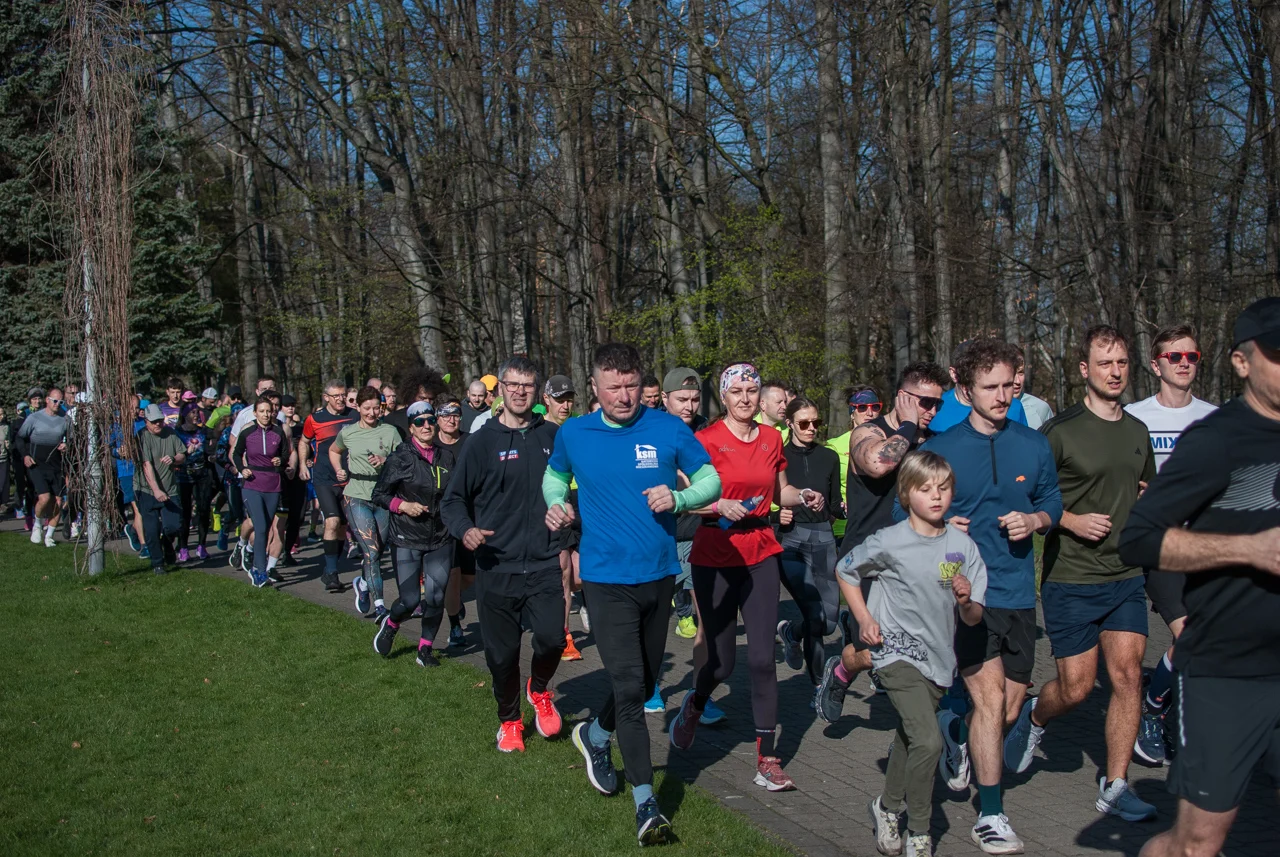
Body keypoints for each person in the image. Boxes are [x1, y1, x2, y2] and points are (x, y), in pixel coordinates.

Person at [1117, 296, 1280, 857]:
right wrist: (1248, 549)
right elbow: (1138, 537)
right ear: (1242, 362)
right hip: (1228, 669)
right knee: (1196, 844)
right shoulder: (1217, 438)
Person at [544, 343, 719, 845]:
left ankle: (595, 735)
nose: (623, 396)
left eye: (631, 386)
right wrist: (556, 503)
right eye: (613, 387)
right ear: (594, 387)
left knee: (640, 684)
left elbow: (710, 479)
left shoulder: (668, 428)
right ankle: (647, 805)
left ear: (643, 384)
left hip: (659, 574)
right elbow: (555, 476)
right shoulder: (575, 432)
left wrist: (680, 497)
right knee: (629, 689)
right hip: (604, 578)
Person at [911, 339, 1061, 854]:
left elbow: (1052, 500)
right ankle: (991, 815)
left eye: (1008, 386)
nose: (1002, 396)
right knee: (991, 700)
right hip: (966, 592)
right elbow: (903, 512)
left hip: (1018, 591)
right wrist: (937, 522)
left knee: (1009, 708)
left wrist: (1035, 520)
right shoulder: (941, 448)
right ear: (966, 390)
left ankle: (956, 730)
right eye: (990, 387)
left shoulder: (1033, 444)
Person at [1003, 326, 1157, 822]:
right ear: (1085, 370)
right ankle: (1035, 717)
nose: (1115, 372)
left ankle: (1116, 785)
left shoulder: (1137, 432)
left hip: (1125, 575)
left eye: (1122, 362)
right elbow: (1028, 498)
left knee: (1128, 675)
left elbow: (1144, 489)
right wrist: (1070, 520)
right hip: (1071, 576)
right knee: (1077, 688)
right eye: (1105, 363)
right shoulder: (1060, 432)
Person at [668, 362, 826, 792]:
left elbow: (779, 491)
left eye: (751, 391)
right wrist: (718, 506)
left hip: (760, 550)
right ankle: (695, 704)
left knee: (761, 660)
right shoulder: (705, 440)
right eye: (736, 391)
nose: (744, 398)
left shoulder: (772, 438)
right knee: (722, 662)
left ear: (760, 397)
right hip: (715, 552)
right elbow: (684, 500)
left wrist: (802, 495)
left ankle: (767, 759)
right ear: (723, 396)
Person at [839, 451, 987, 857]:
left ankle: (886, 808)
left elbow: (974, 617)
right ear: (906, 494)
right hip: (893, 652)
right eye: (925, 489)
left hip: (938, 660)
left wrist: (965, 601)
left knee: (911, 737)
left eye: (943, 488)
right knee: (929, 740)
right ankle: (919, 831)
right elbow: (846, 571)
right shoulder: (889, 541)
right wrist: (864, 618)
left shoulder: (962, 547)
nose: (936, 496)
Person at [441, 356, 566, 753]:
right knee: (502, 654)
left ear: (537, 391)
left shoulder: (554, 436)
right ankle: (509, 720)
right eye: (512, 384)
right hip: (496, 563)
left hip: (545, 560)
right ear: (502, 389)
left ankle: (539, 689)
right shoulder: (481, 442)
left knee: (552, 639)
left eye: (527, 385)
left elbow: (576, 484)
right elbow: (453, 500)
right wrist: (466, 529)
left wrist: (571, 513)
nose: (519, 392)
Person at [815, 364, 948, 723]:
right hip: (868, 557)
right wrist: (908, 426)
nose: (932, 411)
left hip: (918, 559)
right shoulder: (869, 431)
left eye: (938, 404)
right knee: (878, 649)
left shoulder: (933, 440)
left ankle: (921, 730)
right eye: (925, 402)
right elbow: (878, 463)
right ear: (904, 397)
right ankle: (842, 669)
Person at [1122, 323, 1218, 764]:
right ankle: (1153, 708)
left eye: (1191, 357)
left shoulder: (1215, 418)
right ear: (1156, 364)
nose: (1183, 363)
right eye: (1174, 357)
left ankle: (1169, 710)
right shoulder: (1135, 417)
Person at [371, 401, 458, 666]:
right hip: (407, 536)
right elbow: (379, 495)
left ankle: (425, 650)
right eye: (420, 422)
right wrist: (403, 506)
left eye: (430, 420)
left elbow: (455, 493)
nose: (426, 426)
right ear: (411, 428)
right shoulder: (400, 458)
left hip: (440, 536)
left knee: (436, 597)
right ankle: (391, 623)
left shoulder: (446, 457)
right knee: (409, 600)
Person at [776, 396, 844, 686]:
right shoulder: (778, 456)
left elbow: (835, 504)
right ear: (789, 424)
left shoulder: (829, 457)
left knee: (829, 622)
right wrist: (777, 515)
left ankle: (791, 632)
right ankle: (819, 689)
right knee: (814, 616)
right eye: (804, 423)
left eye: (816, 422)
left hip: (822, 538)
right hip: (789, 541)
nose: (812, 428)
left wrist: (842, 509)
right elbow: (765, 498)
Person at [330, 386, 401, 619]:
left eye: (376, 408)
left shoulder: (390, 432)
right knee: (370, 551)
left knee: (377, 551)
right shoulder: (348, 432)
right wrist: (339, 469)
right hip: (356, 495)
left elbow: (404, 460)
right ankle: (380, 605)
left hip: (383, 496)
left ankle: (362, 583)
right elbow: (334, 450)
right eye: (367, 408)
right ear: (358, 407)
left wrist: (386, 460)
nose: (372, 413)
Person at [542, 373, 585, 660]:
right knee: (564, 570)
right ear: (546, 399)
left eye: (569, 400)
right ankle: (564, 635)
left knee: (579, 576)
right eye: (560, 400)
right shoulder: (538, 431)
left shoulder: (577, 429)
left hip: (580, 504)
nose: (565, 405)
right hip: (553, 506)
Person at [300, 379, 357, 592]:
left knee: (342, 525)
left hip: (349, 479)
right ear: (326, 398)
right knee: (332, 521)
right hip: (324, 478)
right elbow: (304, 441)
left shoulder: (354, 416)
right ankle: (332, 573)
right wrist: (302, 464)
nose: (341, 399)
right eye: (336, 396)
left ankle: (330, 568)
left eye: (343, 395)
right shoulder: (315, 419)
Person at [232, 395, 293, 587]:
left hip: (273, 484)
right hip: (252, 484)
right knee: (260, 527)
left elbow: (286, 453)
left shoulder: (278, 432)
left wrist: (281, 461)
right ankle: (259, 571)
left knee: (265, 528)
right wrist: (242, 469)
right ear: (255, 413)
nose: (266, 414)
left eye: (269, 411)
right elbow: (235, 453)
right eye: (262, 411)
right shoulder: (248, 432)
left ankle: (252, 555)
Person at [928, 340, 1030, 432]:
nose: (1002, 398)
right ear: (953, 374)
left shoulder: (1014, 407)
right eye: (967, 372)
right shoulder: (934, 408)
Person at [826, 386, 882, 544]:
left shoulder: (888, 444)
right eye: (862, 408)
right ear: (852, 413)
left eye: (875, 407)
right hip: (845, 528)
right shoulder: (834, 446)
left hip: (880, 528)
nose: (869, 413)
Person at [135, 403, 186, 573]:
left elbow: (182, 454)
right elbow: (146, 465)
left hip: (170, 488)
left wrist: (174, 459)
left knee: (173, 526)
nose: (158, 424)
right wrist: (156, 490)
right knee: (152, 530)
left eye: (160, 420)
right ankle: (158, 563)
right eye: (154, 421)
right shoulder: (142, 437)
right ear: (146, 421)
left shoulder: (170, 433)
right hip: (146, 489)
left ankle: (167, 544)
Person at [18, 386, 69, 548]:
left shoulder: (65, 419)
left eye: (61, 402)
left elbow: (72, 439)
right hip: (37, 464)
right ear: (47, 400)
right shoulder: (34, 418)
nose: (57, 404)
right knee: (45, 498)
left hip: (56, 465)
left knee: (58, 501)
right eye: (54, 401)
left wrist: (66, 445)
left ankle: (49, 536)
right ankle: (37, 524)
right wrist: (26, 455)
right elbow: (20, 438)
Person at [176, 405, 215, 562]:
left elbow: (208, 450)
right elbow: (174, 453)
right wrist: (186, 453)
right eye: (192, 412)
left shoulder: (203, 432)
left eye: (198, 412)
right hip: (184, 476)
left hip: (202, 475)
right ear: (185, 415)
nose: (196, 415)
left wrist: (211, 457)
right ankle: (183, 547)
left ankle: (202, 545)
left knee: (203, 509)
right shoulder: (177, 432)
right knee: (185, 512)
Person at [279, 394, 308, 565]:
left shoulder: (300, 428)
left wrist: (308, 460)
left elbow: (307, 447)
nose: (290, 408)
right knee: (281, 515)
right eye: (286, 405)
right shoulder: (277, 428)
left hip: (298, 477)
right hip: (282, 476)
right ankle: (276, 549)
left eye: (292, 405)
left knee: (298, 515)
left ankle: (287, 551)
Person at [1013, 356, 1053, 430]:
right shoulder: (991, 409)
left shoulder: (1041, 408)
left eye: (1020, 372)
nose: (1017, 381)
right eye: (1011, 373)